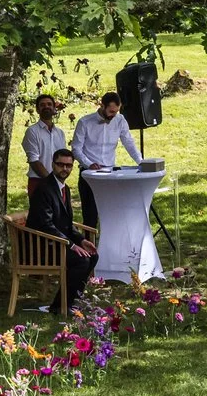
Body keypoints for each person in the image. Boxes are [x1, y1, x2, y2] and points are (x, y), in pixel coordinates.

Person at [27, 148, 98, 303]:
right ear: (53, 165)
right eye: (60, 165)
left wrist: (81, 240)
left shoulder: (64, 188)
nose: (65, 169)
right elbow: (46, 225)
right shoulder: (44, 189)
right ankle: (61, 306)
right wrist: (72, 246)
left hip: (57, 243)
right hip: (43, 247)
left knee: (92, 255)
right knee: (81, 260)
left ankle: (73, 300)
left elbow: (66, 224)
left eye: (69, 165)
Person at [70, 91, 142, 226]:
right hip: (89, 174)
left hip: (110, 173)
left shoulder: (120, 120)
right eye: (111, 111)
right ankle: (89, 245)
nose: (113, 115)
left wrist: (141, 161)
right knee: (90, 217)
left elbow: (129, 143)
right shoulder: (84, 122)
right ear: (102, 106)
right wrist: (88, 164)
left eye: (116, 111)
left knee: (111, 215)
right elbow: (76, 149)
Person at [21, 92, 68, 182]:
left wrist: (59, 180)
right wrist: (51, 181)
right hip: (38, 181)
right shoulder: (32, 131)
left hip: (58, 181)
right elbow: (34, 160)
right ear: (38, 110)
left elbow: (63, 159)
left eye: (49, 104)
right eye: (42, 105)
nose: (46, 107)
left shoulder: (60, 133)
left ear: (54, 108)